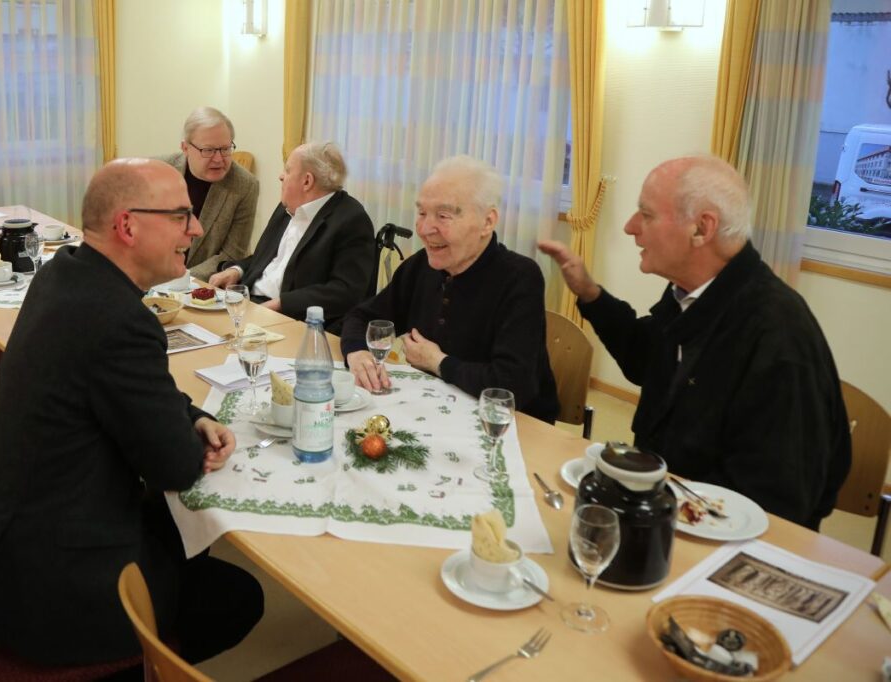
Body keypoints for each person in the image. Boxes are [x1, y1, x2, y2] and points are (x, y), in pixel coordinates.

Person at [0, 159, 264, 667]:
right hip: (38, 595)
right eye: (182, 215)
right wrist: (189, 433)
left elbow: (136, 392)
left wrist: (193, 417)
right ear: (128, 225)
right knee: (238, 595)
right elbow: (176, 467)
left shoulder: (63, 277)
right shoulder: (120, 321)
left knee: (178, 530)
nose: (197, 229)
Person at [539, 155, 850, 529]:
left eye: (646, 214)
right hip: (663, 511)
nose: (629, 227)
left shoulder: (778, 334)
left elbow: (780, 508)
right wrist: (590, 295)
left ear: (702, 229)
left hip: (719, 540)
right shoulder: (694, 296)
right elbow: (646, 360)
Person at [341, 155, 560, 424]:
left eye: (443, 216)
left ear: (487, 222)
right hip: (434, 410)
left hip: (509, 425)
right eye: (421, 213)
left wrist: (438, 362)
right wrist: (356, 352)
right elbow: (361, 317)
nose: (424, 229)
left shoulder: (520, 278)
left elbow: (511, 385)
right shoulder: (421, 266)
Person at [207, 141, 374, 333]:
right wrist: (238, 270)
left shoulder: (351, 220)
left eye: (287, 170)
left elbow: (345, 291)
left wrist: (281, 304)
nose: (281, 176)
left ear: (307, 181)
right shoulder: (286, 208)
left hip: (293, 321)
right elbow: (268, 259)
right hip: (249, 303)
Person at [164, 106, 259, 279]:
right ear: (185, 148)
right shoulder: (160, 170)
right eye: (208, 150)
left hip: (204, 285)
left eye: (225, 149)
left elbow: (232, 254)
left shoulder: (245, 185)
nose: (218, 159)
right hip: (154, 276)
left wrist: (182, 280)